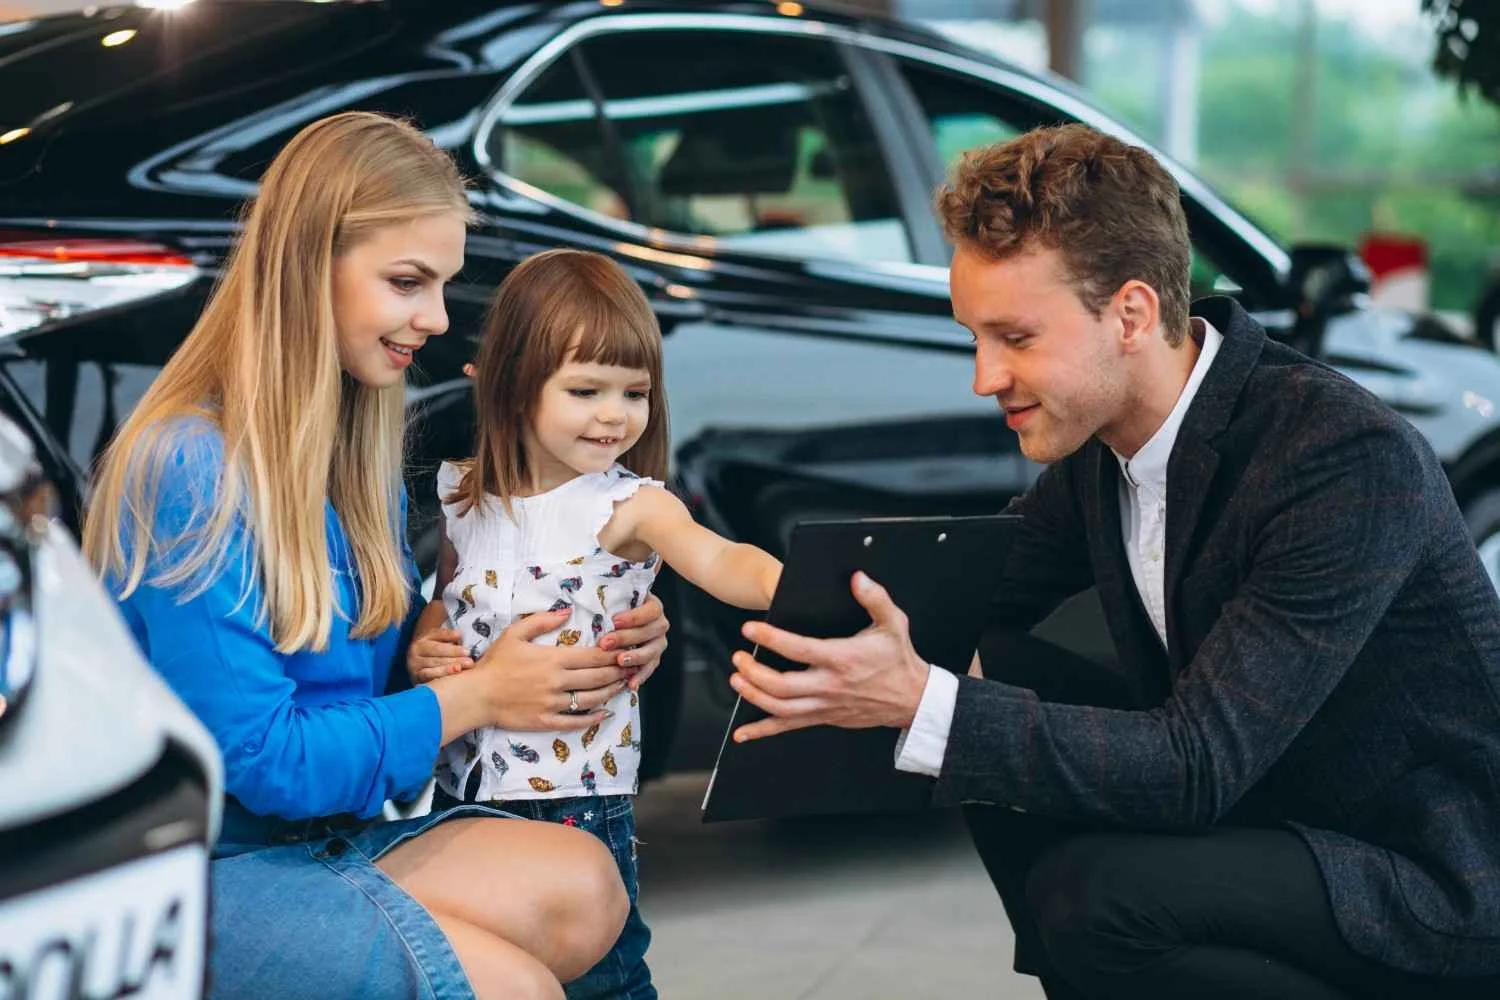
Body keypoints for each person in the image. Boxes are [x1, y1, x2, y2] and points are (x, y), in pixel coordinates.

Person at [726, 123, 1500, 999]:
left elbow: (1198, 765)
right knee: (988, 669)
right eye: (974, 337)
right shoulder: (1105, 448)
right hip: (1275, 811)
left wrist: (922, 699)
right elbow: (951, 596)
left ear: (1131, 314)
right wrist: (694, 566)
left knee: (1099, 901)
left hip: (1429, 880)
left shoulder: (1339, 456)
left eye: (1015, 338)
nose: (984, 377)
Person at [83, 112, 674, 1000]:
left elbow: (366, 687)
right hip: (191, 874)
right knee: (517, 988)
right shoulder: (192, 466)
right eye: (407, 281)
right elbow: (265, 760)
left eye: (440, 285)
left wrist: (472, 639)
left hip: (321, 840)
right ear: (306, 263)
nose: (435, 318)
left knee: (588, 885)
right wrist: (473, 697)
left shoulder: (346, 453)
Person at [406, 247, 782, 1000]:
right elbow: (446, 596)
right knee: (494, 965)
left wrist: (802, 586)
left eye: (633, 392)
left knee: (603, 975)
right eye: (585, 390)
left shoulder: (629, 504)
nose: (614, 415)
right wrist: (425, 639)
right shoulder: (464, 496)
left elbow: (723, 563)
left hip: (575, 794)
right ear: (512, 388)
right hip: (461, 786)